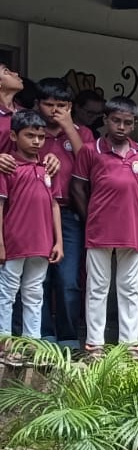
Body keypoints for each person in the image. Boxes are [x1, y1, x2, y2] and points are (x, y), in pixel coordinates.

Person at [73, 96, 138, 356]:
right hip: (99, 229)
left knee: (129, 289)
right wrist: (90, 217)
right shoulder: (90, 150)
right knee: (97, 287)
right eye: (116, 120)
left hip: (133, 230)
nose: (121, 126)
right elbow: (78, 188)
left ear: (134, 124)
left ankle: (129, 345)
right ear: (105, 120)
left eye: (127, 122)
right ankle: (95, 344)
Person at [0, 109, 65, 359]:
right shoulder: (8, 166)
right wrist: (1, 243)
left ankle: (32, 342)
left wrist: (58, 240)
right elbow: (1, 204)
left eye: (40, 136)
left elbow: (54, 204)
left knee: (34, 292)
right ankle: (5, 342)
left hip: (42, 242)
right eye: (30, 136)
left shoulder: (47, 168)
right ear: (14, 136)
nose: (37, 141)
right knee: (7, 291)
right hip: (15, 241)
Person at [35, 78, 89, 350]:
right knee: (38, 279)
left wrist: (69, 128)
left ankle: (68, 338)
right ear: (37, 104)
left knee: (68, 280)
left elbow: (90, 166)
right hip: (34, 212)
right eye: (48, 104)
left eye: (61, 105)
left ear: (70, 106)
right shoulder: (31, 131)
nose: (54, 110)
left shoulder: (83, 133)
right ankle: (44, 335)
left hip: (70, 214)